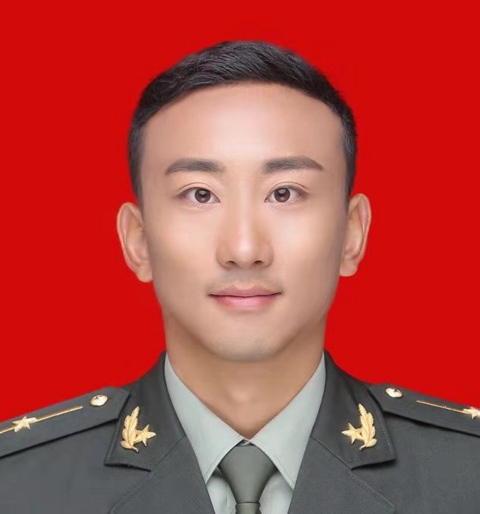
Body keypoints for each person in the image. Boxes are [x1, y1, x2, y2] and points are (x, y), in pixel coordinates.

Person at [0, 39, 479, 514]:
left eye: (285, 193)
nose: (244, 250)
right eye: (200, 194)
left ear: (352, 234)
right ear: (137, 240)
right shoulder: (20, 485)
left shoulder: (465, 474)